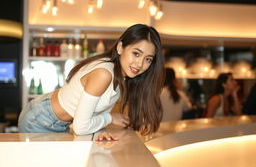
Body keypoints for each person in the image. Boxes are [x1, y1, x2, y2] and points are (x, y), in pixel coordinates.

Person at [18, 24, 165, 140]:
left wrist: (100, 130)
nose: (140, 64)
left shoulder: (120, 76)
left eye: (148, 59)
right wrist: (110, 118)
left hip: (57, 121)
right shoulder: (104, 74)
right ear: (120, 47)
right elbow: (81, 127)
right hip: (39, 119)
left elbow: (90, 118)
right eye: (136, 53)